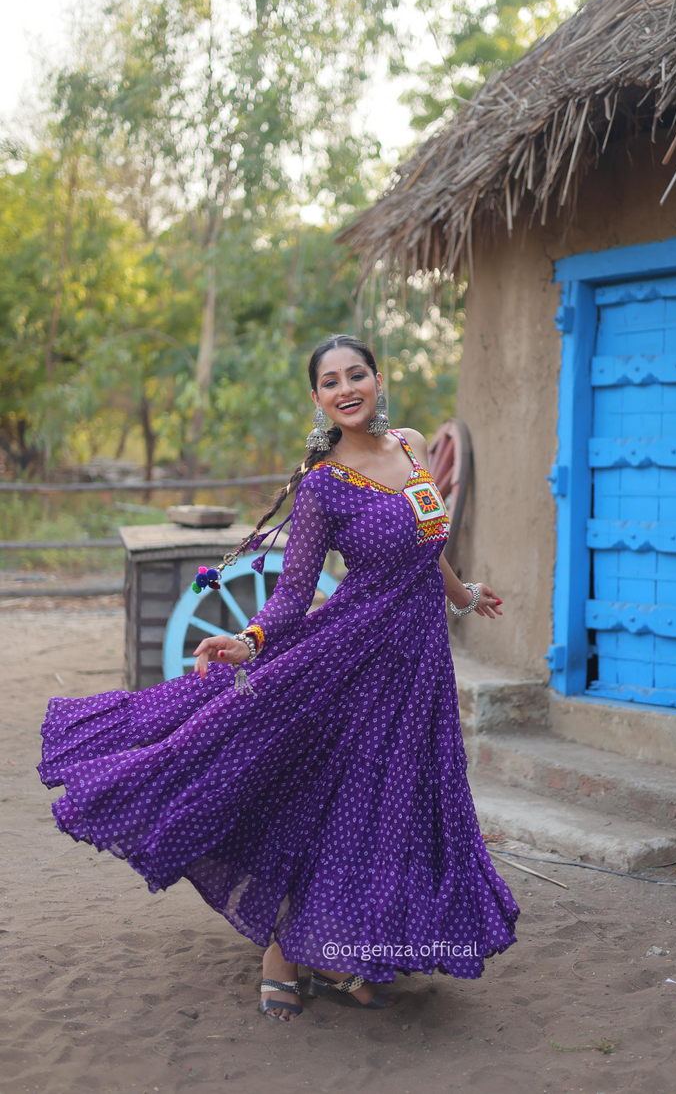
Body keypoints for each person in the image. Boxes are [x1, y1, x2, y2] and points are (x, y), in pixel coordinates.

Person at [38, 334, 519, 1023]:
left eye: (358, 373)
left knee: (389, 806)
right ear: (318, 398)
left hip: (418, 668)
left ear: (379, 380)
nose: (347, 387)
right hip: (349, 659)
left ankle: (341, 948)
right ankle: (280, 951)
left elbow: (426, 546)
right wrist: (247, 638)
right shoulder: (325, 483)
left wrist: (464, 593)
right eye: (331, 381)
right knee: (317, 793)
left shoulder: (412, 447)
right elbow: (293, 596)